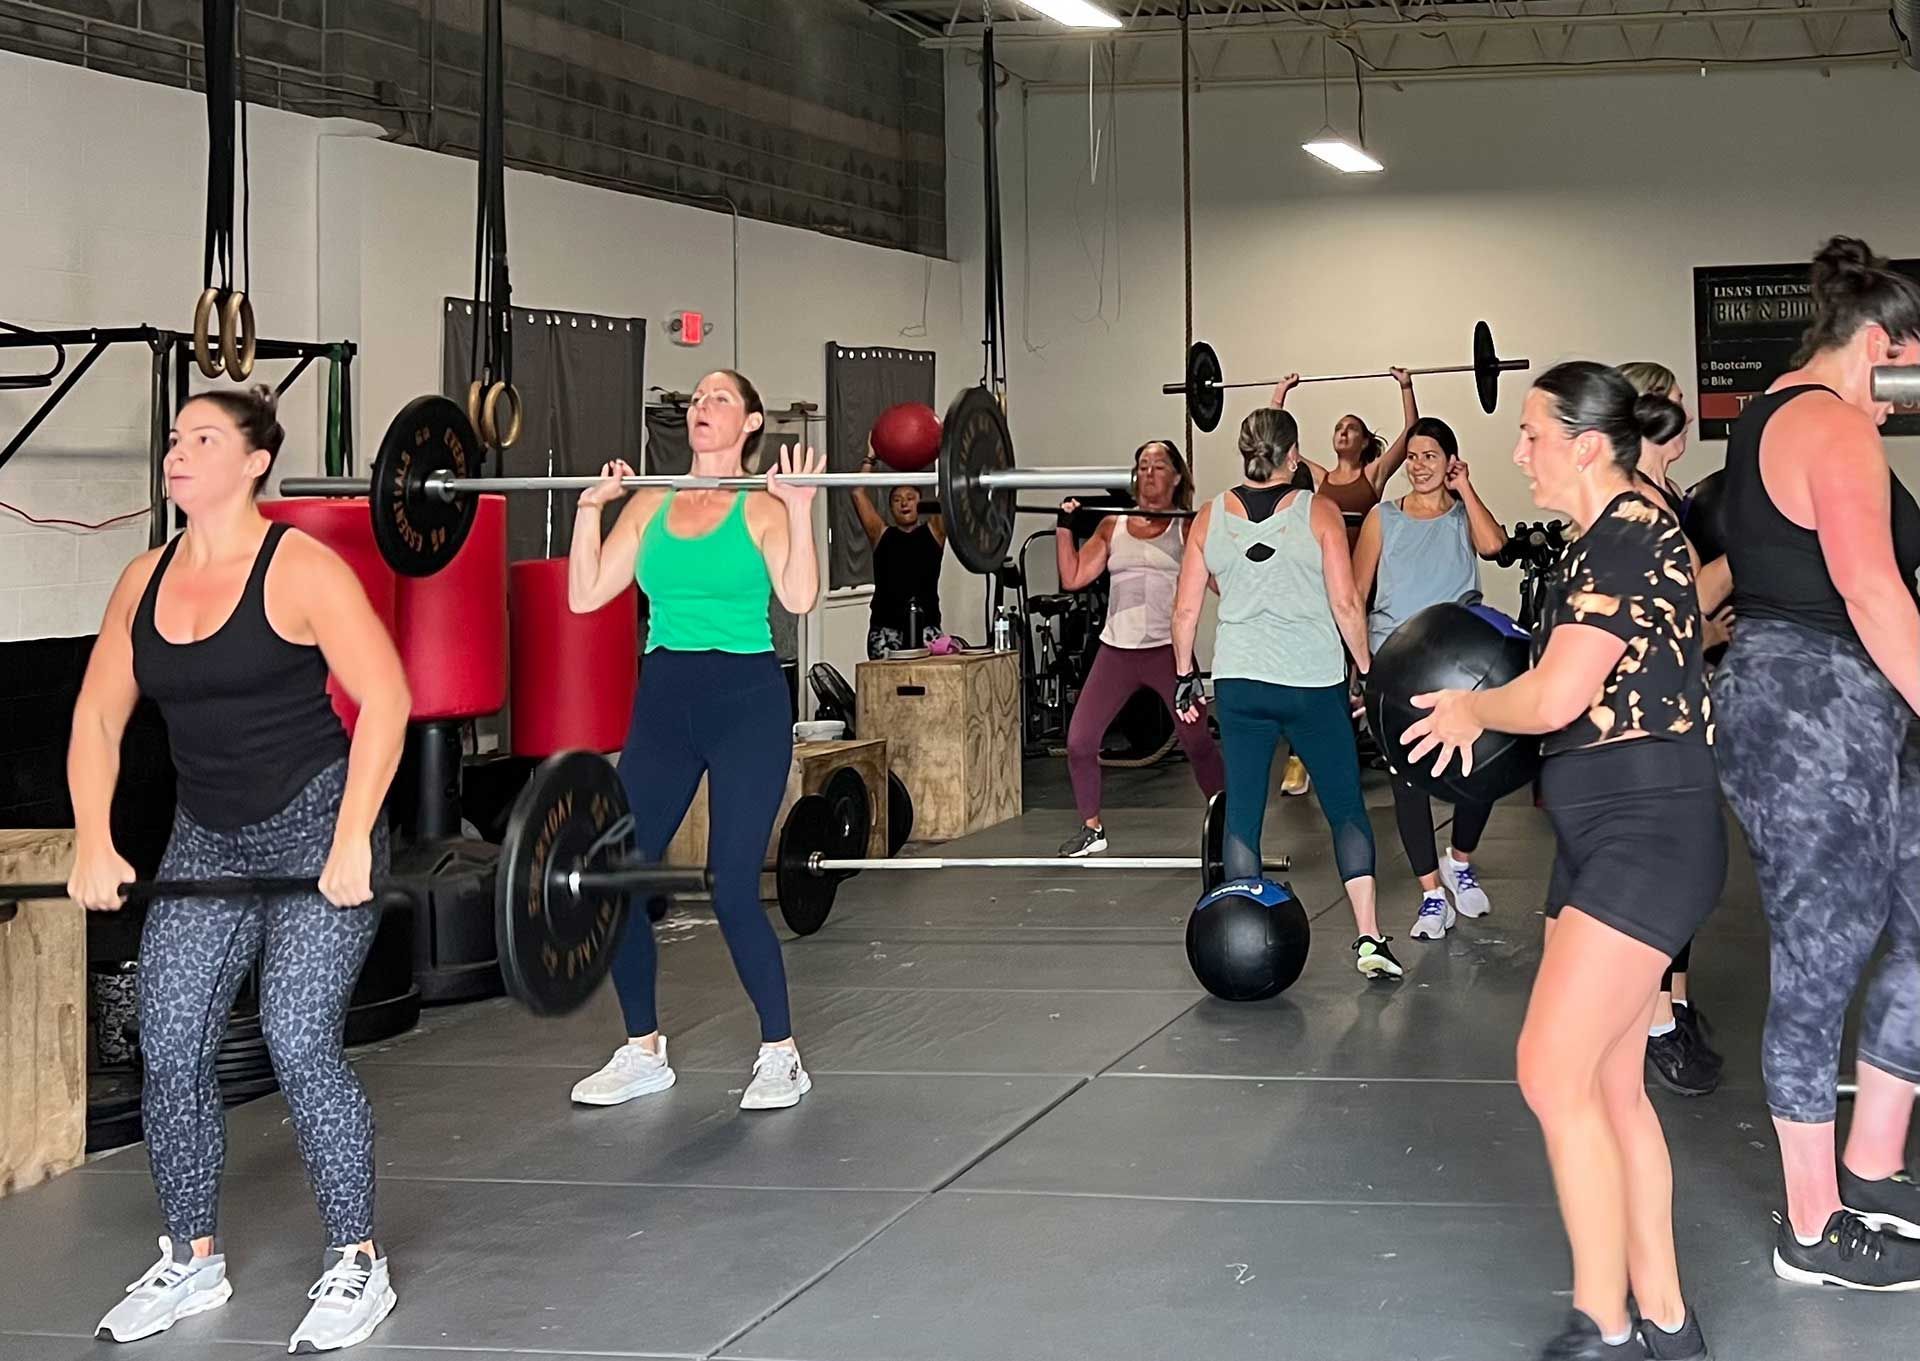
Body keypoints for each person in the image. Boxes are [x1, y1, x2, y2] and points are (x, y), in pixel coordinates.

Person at [68, 387, 410, 1351]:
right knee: (170, 1042)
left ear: (255, 460)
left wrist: (353, 837)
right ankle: (191, 1255)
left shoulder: (300, 567)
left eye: (204, 438)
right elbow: (98, 715)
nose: (179, 452)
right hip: (208, 837)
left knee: (300, 1036)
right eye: (175, 438)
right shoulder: (143, 578)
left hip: (318, 828)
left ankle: (357, 1261)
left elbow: (384, 694)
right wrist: (94, 834)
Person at [1401, 362, 1719, 1360]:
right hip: (1601, 831)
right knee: (1610, 1087)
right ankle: (1666, 1317)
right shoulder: (1605, 533)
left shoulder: (1625, 531)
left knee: (1550, 1065)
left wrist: (1469, 707)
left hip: (1648, 830)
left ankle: (1606, 1323)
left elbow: (1552, 697)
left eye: (1534, 432)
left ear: (1587, 444)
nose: (1518, 449)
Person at [1710, 237, 1920, 1288]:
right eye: (1910, 373)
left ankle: (1873, 1165)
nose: (1903, 403)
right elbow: (1874, 592)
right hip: (1812, 711)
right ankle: (1812, 1226)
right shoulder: (1832, 422)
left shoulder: (1765, 414)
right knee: (1819, 955)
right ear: (1880, 345)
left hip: (1854, 707)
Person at [566, 369, 823, 1113]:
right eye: (698, 399)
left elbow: (801, 599)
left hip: (745, 702)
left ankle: (782, 1052)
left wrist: (799, 512)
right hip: (665, 702)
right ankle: (643, 1048)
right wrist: (590, 511)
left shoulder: (765, 506)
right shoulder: (649, 501)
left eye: (719, 399)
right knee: (617, 875)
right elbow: (586, 594)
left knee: (730, 883)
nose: (702, 409)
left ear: (750, 423)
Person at [1171, 407, 1399, 981]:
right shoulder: (1318, 511)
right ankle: (1369, 939)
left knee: (1244, 815)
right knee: (1345, 808)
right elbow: (1348, 604)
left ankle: (1236, 940)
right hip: (1311, 683)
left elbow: (1185, 610)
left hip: (1240, 682)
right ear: (1294, 456)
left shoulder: (1206, 519)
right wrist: (1367, 670)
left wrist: (1183, 677)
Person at [1349, 416, 1508, 941]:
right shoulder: (1382, 517)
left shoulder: (1465, 515)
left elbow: (1494, 548)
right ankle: (1431, 895)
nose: (1418, 466)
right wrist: (1361, 669)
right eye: (1412, 457)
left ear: (1450, 462)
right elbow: (1355, 592)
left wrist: (1467, 487)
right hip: (1397, 664)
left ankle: (1460, 862)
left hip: (1463, 665)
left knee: (1478, 772)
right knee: (1408, 782)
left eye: (1430, 457)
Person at [1617, 361, 1728, 1097]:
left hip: (1683, 697)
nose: (1683, 414)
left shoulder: (1668, 494)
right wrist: (1763, 542)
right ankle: (1652, 1024)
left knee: (1686, 866)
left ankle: (1675, 1005)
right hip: (1644, 716)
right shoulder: (1636, 501)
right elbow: (1686, 594)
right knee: (1660, 870)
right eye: (1673, 403)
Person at [1053, 439, 1226, 857]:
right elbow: (1073, 577)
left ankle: (1228, 820)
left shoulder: (1187, 527)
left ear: (1177, 476)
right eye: (1143, 466)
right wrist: (1063, 526)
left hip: (1169, 653)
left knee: (1197, 741)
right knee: (1080, 740)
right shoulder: (1113, 525)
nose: (1149, 473)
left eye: (1159, 466)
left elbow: (1222, 585)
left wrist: (1218, 534)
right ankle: (1092, 829)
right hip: (1116, 652)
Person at [1268, 367, 1419, 798]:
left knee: (1362, 672)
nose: (1343, 431)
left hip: (1366, 586)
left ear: (1364, 441)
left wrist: (1405, 387)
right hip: (1324, 585)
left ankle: (1374, 747)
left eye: (1351, 428)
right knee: (1323, 670)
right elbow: (1276, 443)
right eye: (1338, 427)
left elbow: (1412, 434)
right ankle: (1301, 757)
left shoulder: (1372, 476)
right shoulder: (1319, 477)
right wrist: (1281, 393)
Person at [852, 447, 945, 658]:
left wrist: (943, 450)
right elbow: (857, 493)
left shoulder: (935, 532)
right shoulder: (880, 535)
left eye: (910, 497)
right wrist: (871, 457)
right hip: (885, 632)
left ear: (920, 503)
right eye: (897, 499)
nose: (904, 503)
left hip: (927, 629)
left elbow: (948, 492)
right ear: (891, 507)